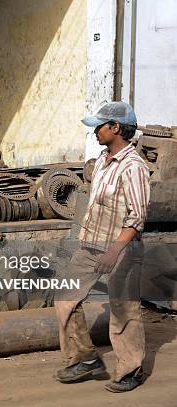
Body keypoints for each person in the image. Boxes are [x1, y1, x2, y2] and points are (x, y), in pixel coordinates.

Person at [54, 101, 150, 392]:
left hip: (122, 249)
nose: (95, 131)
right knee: (65, 298)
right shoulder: (104, 160)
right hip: (91, 244)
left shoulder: (134, 167)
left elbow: (138, 216)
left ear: (116, 128)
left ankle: (131, 370)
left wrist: (115, 250)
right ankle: (84, 358)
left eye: (99, 126)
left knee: (124, 310)